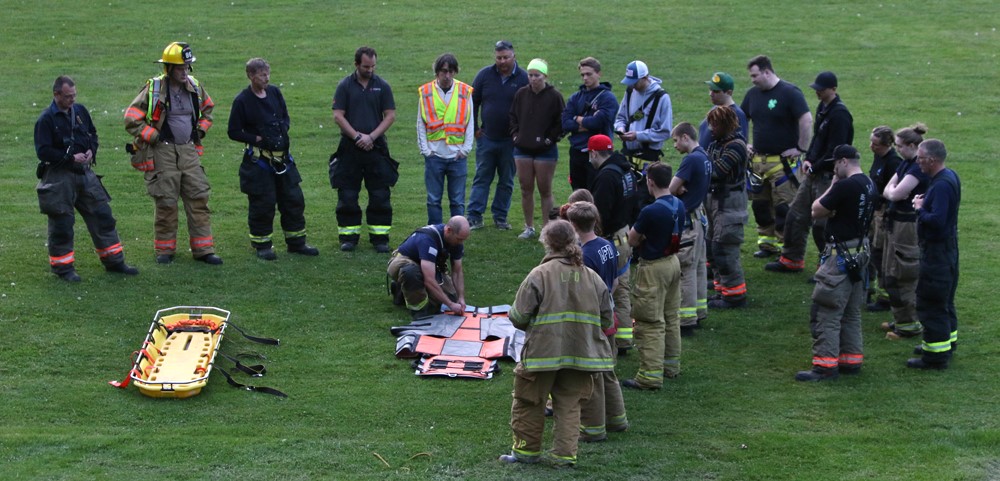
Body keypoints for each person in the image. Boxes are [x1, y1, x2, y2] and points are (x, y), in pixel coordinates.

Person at [499, 220, 614, 467]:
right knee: (570, 405)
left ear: (547, 243)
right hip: (581, 354)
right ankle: (564, 456)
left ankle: (526, 453)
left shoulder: (539, 274)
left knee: (529, 401)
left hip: (542, 355)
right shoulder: (592, 278)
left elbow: (518, 317)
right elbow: (607, 318)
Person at [124, 41, 221, 265]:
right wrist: (152, 136)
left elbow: (208, 110)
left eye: (187, 67)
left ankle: (204, 250)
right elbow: (131, 118)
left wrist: (201, 131)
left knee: (199, 198)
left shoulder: (195, 86)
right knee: (166, 202)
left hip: (189, 151)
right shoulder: (154, 89)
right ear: (168, 68)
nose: (185, 72)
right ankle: (165, 251)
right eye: (180, 68)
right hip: (163, 152)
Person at [35, 76, 138, 282]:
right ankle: (63, 269)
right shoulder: (45, 120)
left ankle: (115, 262)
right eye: (67, 96)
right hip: (59, 178)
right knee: (62, 224)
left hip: (85, 174)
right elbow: (43, 150)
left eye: (74, 96)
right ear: (56, 95)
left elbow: (92, 134)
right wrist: (69, 158)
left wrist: (92, 151)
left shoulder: (80, 111)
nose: (72, 100)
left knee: (102, 216)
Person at [795, 145, 875, 382]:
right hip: (859, 253)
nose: (832, 169)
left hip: (839, 257)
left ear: (842, 162)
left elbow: (815, 210)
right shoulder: (868, 183)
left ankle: (825, 367)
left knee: (826, 311)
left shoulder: (845, 185)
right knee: (851, 311)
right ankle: (851, 361)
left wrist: (833, 184)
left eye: (834, 164)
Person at [228, 58, 318, 260]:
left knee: (293, 200)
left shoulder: (275, 93)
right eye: (262, 75)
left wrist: (282, 130)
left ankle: (297, 242)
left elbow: (285, 117)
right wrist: (257, 139)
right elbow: (233, 131)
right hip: (260, 163)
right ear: (251, 76)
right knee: (263, 203)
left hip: (284, 160)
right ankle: (263, 245)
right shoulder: (242, 101)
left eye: (268, 74)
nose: (266, 78)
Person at [767, 71, 854, 275]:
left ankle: (827, 267)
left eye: (821, 90)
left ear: (833, 89)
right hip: (814, 172)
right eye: (816, 89)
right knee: (796, 215)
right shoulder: (824, 107)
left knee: (822, 225)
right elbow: (817, 139)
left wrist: (816, 165)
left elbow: (837, 149)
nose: (818, 93)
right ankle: (791, 259)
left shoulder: (840, 114)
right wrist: (808, 159)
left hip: (827, 176)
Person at [566, 202, 628, 443]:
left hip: (592, 321)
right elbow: (614, 283)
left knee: (590, 375)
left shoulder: (585, 255)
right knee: (608, 371)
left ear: (573, 225)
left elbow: (585, 293)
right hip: (609, 315)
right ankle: (617, 419)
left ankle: (592, 430)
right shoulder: (607, 246)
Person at [739, 55, 812, 259]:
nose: (752, 80)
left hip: (783, 164)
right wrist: (745, 143)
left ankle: (786, 248)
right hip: (758, 163)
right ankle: (767, 244)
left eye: (755, 75)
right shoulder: (752, 95)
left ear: (767, 72)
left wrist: (801, 147)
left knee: (784, 208)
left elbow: (806, 120)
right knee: (760, 205)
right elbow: (740, 119)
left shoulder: (790, 92)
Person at [622, 162, 684, 389]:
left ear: (649, 181)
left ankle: (649, 375)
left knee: (650, 321)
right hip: (673, 264)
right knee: (671, 317)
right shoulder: (679, 204)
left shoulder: (650, 211)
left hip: (654, 268)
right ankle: (670, 366)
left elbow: (631, 239)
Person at [331, 46, 397, 253]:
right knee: (348, 194)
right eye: (366, 66)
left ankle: (380, 238)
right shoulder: (345, 86)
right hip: (350, 148)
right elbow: (338, 115)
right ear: (356, 64)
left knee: (380, 194)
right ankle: (348, 237)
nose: (370, 70)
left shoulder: (382, 86)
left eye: (373, 66)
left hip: (376, 148)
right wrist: (357, 136)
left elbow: (390, 115)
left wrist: (371, 137)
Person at [909, 139, 960, 370]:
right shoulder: (949, 177)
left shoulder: (940, 185)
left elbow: (937, 222)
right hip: (947, 252)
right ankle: (947, 343)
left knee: (932, 302)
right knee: (945, 300)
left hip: (937, 254)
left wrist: (920, 209)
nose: (918, 162)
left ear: (931, 160)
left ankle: (935, 356)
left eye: (920, 158)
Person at [467, 40, 528, 231]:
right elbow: (472, 102)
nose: (502, 61)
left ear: (514, 56)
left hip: (511, 141)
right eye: (499, 57)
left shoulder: (523, 78)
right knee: (482, 177)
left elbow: (528, 108)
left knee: (506, 180)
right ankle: (474, 216)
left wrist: (520, 135)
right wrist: (475, 128)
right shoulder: (485, 75)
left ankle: (500, 216)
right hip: (487, 138)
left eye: (506, 57)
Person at [586, 134, 637, 354]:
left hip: (610, 240)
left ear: (594, 153)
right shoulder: (626, 170)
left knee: (604, 290)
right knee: (622, 289)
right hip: (624, 235)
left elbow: (600, 214)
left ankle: (604, 339)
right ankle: (624, 340)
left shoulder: (606, 177)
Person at [879, 124, 930, 340]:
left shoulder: (916, 168)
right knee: (891, 270)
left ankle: (908, 325)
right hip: (896, 223)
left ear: (912, 145)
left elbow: (897, 192)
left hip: (906, 226)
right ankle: (901, 319)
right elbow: (889, 191)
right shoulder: (907, 164)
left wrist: (893, 193)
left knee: (903, 273)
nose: (896, 149)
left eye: (899, 146)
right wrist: (893, 193)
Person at [510, 58, 565, 239]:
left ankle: (547, 229)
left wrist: (550, 139)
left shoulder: (554, 96)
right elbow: (513, 116)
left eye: (537, 75)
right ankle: (529, 226)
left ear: (545, 76)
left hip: (545, 151)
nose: (533, 79)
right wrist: (515, 135)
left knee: (545, 190)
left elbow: (561, 122)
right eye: (530, 75)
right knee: (525, 188)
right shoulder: (521, 94)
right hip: (523, 149)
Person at [417, 53, 474, 225]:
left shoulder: (465, 92)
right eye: (444, 71)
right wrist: (426, 151)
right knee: (433, 201)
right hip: (435, 156)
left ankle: (457, 241)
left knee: (457, 202)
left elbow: (470, 122)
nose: (447, 75)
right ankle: (435, 236)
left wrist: (465, 150)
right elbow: (421, 123)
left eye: (451, 71)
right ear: (437, 72)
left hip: (457, 156)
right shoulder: (426, 92)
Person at [668, 123, 712, 334]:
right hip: (700, 218)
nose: (675, 146)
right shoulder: (704, 156)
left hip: (689, 222)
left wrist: (678, 189)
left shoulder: (690, 159)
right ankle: (699, 311)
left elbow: (669, 190)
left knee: (685, 270)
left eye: (676, 140)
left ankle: (685, 320)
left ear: (685, 137)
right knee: (698, 266)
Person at [705, 107, 750, 309]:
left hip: (730, 203)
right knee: (713, 246)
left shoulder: (737, 146)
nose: (710, 129)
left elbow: (717, 171)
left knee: (725, 247)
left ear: (724, 125)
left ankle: (735, 295)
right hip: (716, 202)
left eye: (714, 125)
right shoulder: (716, 145)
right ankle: (721, 288)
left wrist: (699, 168)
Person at [387, 216, 469, 318]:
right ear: (449, 230)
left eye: (463, 240)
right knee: (411, 273)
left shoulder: (456, 240)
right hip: (403, 263)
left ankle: (402, 291)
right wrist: (451, 305)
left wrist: (460, 298)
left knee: (450, 297)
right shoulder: (427, 240)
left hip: (427, 265)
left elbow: (457, 271)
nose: (461, 243)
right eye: (459, 239)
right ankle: (418, 309)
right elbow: (429, 280)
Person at [562, 57, 618, 190]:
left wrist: (577, 119)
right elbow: (565, 123)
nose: (585, 78)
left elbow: (598, 122)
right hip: (577, 151)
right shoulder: (576, 97)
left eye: (589, 74)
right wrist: (587, 123)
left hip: (599, 153)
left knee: (597, 192)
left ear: (599, 74)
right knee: (578, 192)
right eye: (582, 75)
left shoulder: (608, 98)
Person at [866, 126, 903, 311]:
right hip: (874, 212)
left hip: (883, 214)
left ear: (887, 145)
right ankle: (870, 288)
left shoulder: (893, 162)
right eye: (871, 142)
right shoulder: (879, 157)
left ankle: (885, 297)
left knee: (880, 253)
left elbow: (891, 191)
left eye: (876, 144)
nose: (871, 146)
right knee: (871, 250)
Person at [614, 60, 673, 171]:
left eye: (635, 82)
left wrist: (638, 135)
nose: (632, 85)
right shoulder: (630, 91)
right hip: (627, 157)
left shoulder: (662, 97)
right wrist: (620, 129)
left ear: (645, 78)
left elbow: (665, 132)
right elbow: (620, 118)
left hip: (649, 160)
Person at [698, 72, 748, 149]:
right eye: (710, 89)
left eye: (716, 91)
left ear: (729, 92)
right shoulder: (715, 109)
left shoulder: (736, 114)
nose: (711, 94)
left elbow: (740, 147)